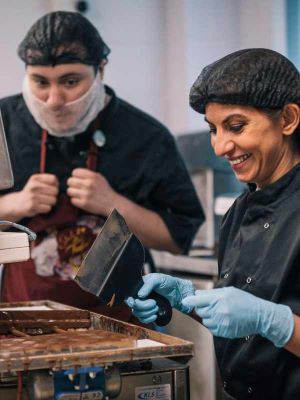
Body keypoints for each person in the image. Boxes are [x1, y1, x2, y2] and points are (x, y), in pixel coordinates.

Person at [0, 11, 204, 322]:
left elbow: (177, 239)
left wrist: (114, 204)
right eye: (40, 82)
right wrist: (12, 205)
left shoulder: (145, 137)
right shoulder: (4, 124)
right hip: (21, 319)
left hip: (118, 322)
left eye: (70, 81)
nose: (54, 99)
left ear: (101, 70)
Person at [127, 48, 300, 399]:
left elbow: (260, 318)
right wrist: (189, 301)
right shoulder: (238, 212)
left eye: (236, 126)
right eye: (213, 130)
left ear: (288, 119)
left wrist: (275, 322)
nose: (221, 146)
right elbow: (242, 319)